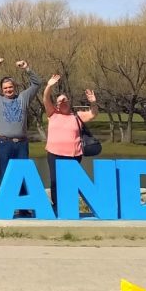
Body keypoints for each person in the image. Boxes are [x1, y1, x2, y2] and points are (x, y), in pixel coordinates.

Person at [0, 58, 42, 216]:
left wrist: (27, 68)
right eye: (5, 88)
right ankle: (5, 207)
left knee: (23, 175)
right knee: (5, 174)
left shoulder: (23, 98)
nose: (8, 90)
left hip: (21, 144)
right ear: (1, 90)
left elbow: (37, 84)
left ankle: (23, 208)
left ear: (14, 88)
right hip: (4, 144)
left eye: (10, 87)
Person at [43, 74, 98, 210]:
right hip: (54, 154)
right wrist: (49, 85)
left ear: (69, 102)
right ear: (56, 105)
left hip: (73, 154)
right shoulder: (52, 114)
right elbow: (45, 98)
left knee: (70, 182)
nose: (62, 103)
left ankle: (69, 206)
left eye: (65, 100)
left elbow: (93, 113)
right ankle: (56, 206)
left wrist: (93, 102)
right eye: (59, 101)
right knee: (55, 181)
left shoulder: (77, 116)